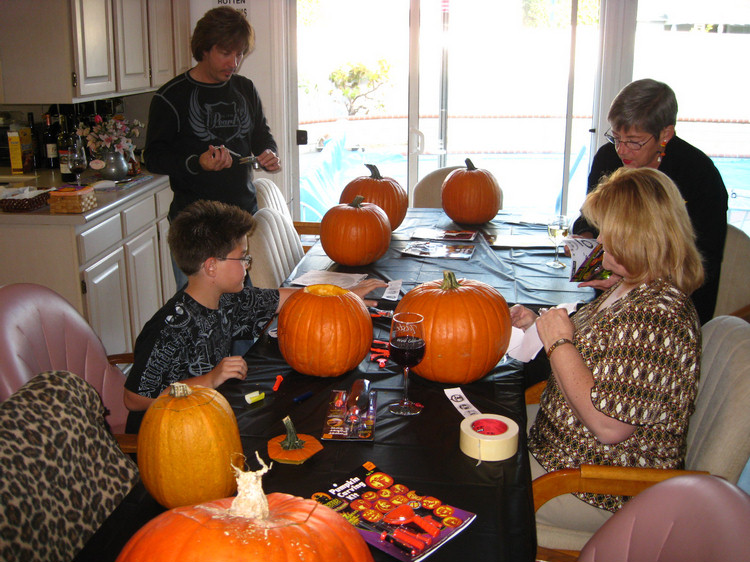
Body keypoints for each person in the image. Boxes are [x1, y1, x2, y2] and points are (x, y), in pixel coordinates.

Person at [513, 167, 703, 522]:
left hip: (598, 487)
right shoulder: (632, 282)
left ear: (637, 238)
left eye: (608, 235)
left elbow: (609, 426)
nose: (598, 245)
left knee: (481, 488)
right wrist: (539, 324)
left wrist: (558, 342)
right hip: (558, 451)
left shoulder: (657, 319)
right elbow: (595, 351)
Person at [123, 200, 385, 432]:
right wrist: (209, 379)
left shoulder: (226, 300)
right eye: (243, 258)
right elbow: (135, 399)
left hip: (206, 414)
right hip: (170, 436)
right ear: (211, 266)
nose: (248, 266)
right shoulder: (170, 326)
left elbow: (281, 298)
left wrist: (342, 294)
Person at [144, 6, 281, 289]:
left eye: (240, 53)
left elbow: (260, 136)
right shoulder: (171, 97)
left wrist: (269, 152)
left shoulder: (245, 89)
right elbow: (153, 157)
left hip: (243, 220)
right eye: (225, 52)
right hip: (196, 229)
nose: (234, 62)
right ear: (204, 48)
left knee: (246, 315)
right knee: (201, 321)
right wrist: (197, 162)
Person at [572, 78, 727, 325]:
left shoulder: (699, 175)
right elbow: (588, 218)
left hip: (665, 312)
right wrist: (587, 239)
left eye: (633, 141)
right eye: (616, 137)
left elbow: (699, 263)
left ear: (665, 134)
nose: (622, 150)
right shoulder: (607, 158)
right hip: (611, 296)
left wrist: (628, 280)